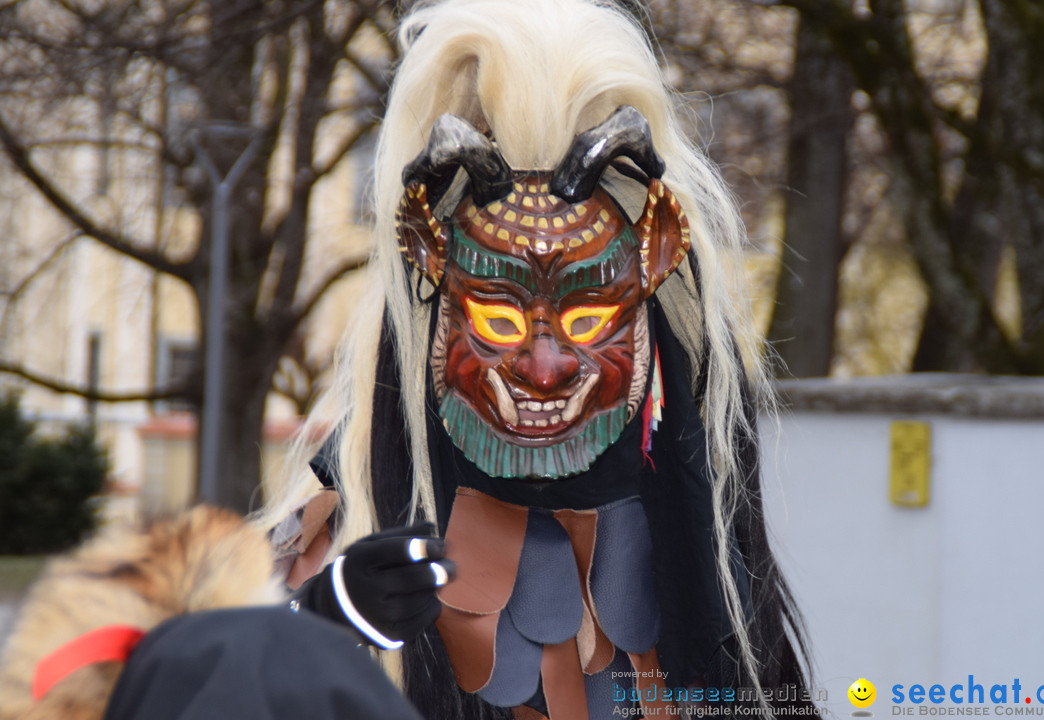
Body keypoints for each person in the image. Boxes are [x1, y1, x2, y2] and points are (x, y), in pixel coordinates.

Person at [258, 0, 816, 718]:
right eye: (496, 315)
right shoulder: (340, 542)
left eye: (587, 317)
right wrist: (316, 632)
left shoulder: (700, 507)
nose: (545, 368)